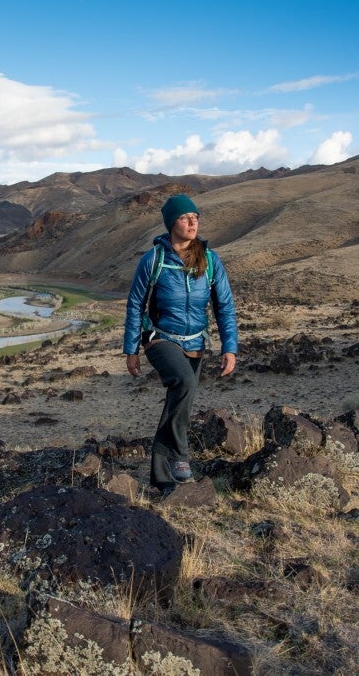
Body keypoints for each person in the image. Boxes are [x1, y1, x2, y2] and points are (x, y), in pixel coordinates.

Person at [123, 194, 238, 495]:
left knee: (180, 401)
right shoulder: (154, 259)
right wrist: (131, 349)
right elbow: (135, 304)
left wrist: (230, 347)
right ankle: (181, 456)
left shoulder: (210, 260)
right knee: (184, 382)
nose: (192, 222)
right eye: (185, 218)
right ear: (171, 224)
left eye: (195, 217)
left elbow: (224, 305)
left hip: (196, 341)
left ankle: (161, 477)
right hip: (160, 337)